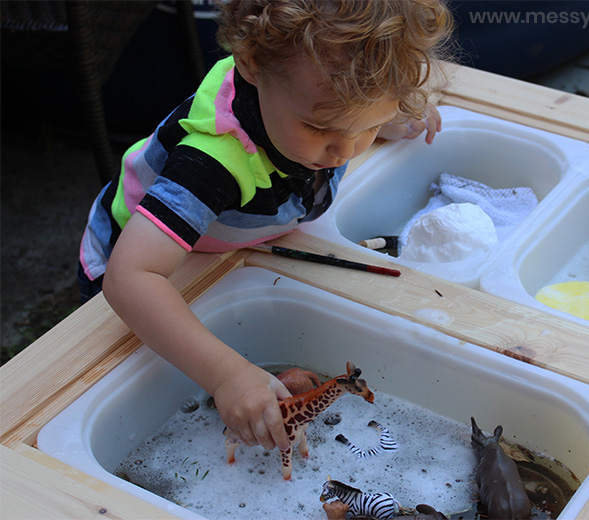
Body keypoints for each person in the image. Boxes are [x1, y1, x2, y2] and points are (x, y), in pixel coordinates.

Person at [77, 0, 454, 457]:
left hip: (231, 246)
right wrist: (226, 375)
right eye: (321, 127)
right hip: (147, 265)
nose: (344, 150)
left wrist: (389, 120)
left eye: (365, 127)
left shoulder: (309, 94)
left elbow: (347, 116)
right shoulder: (212, 164)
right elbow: (131, 278)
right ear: (252, 64)